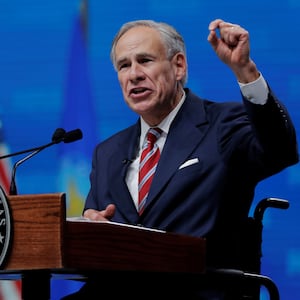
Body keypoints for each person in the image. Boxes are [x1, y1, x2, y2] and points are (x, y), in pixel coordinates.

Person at [62, 18, 299, 299]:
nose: (134, 74)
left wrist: (245, 71)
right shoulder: (108, 152)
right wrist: (92, 229)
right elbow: (95, 232)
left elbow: (279, 149)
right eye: (124, 65)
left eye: (145, 60)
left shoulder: (221, 124)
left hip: (195, 290)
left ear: (179, 66)